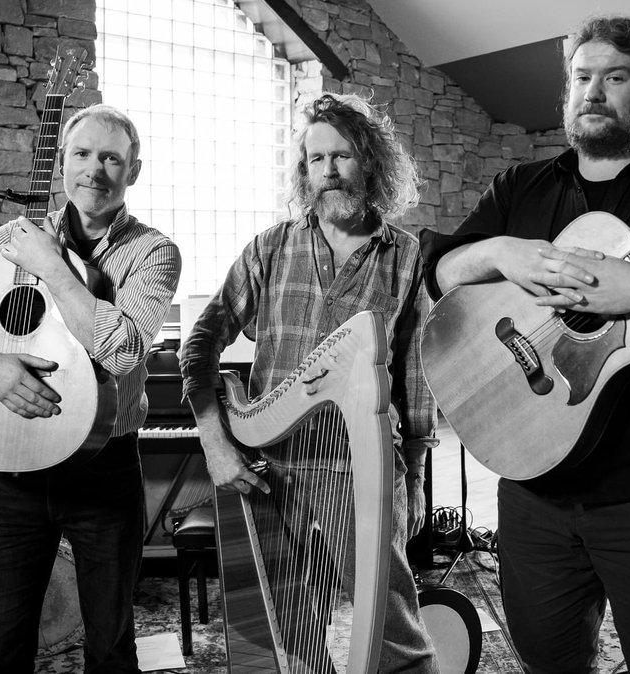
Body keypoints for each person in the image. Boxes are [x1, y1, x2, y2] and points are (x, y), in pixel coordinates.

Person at [420, 16, 630, 674]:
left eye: (615, 77)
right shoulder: (519, 188)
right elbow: (440, 270)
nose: (593, 91)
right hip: (533, 484)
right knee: (548, 661)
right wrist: (499, 252)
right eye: (581, 77)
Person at [0, 104, 181, 673]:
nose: (94, 170)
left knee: (110, 648)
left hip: (104, 473)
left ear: (133, 170)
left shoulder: (153, 252)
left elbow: (121, 351)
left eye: (111, 158)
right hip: (13, 475)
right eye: (81, 154)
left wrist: (51, 266)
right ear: (61, 162)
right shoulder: (10, 239)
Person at [179, 93, 439, 673]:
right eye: (316, 159)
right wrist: (216, 444)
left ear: (371, 162)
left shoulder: (405, 258)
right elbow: (199, 343)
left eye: (342, 156)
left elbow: (414, 377)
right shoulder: (270, 248)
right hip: (271, 468)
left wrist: (416, 476)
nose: (329, 171)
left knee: (393, 631)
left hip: (363, 468)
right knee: (285, 630)